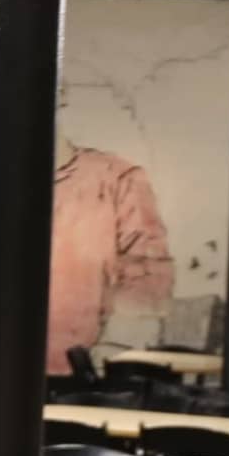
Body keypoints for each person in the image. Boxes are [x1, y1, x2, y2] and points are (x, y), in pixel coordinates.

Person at [49, 133, 171, 369]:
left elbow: (149, 272)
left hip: (80, 377)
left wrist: (115, 351)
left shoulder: (118, 178)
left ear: (62, 96)